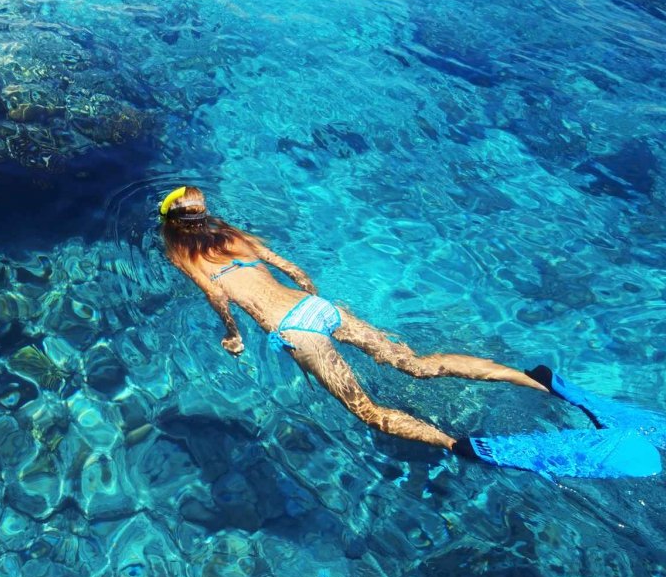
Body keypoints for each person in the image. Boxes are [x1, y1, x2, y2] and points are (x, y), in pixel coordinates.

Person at [159, 185, 559, 457]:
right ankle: (532, 379)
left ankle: (455, 445)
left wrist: (233, 335)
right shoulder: (236, 238)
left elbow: (215, 294)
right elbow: (295, 271)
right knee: (417, 364)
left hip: (296, 331)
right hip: (320, 308)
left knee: (366, 410)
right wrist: (315, 300)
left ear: (173, 229)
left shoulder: (183, 256)